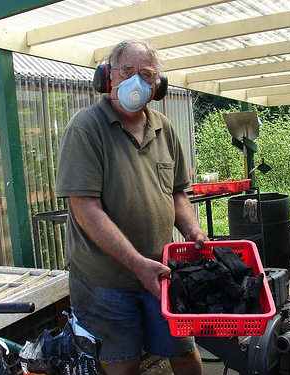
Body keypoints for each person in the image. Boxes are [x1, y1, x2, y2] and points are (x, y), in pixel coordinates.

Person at [55, 39, 208, 375]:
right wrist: (136, 263)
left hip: (161, 272)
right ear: (107, 77)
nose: (136, 81)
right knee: (123, 363)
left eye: (146, 74)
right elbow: (86, 209)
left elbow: (177, 194)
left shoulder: (164, 129)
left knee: (183, 352)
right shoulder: (86, 128)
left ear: (158, 86)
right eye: (127, 71)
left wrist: (193, 230)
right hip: (104, 281)